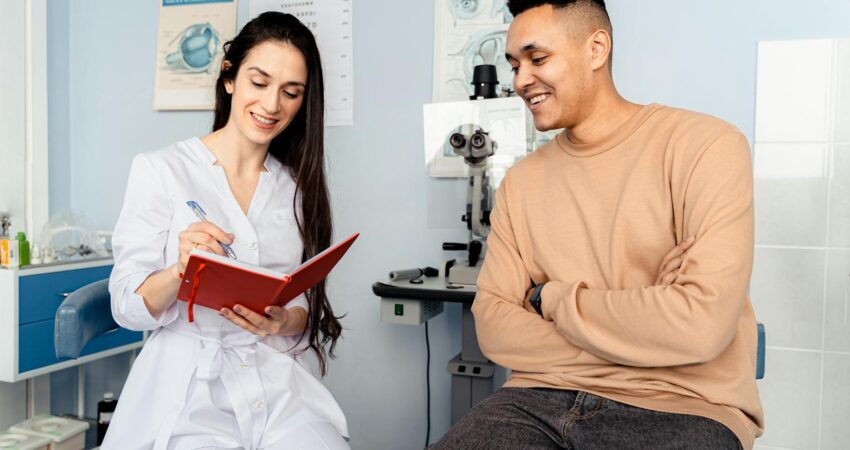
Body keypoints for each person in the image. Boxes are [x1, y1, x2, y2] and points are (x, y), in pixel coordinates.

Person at [431, 1, 763, 449]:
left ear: (597, 48)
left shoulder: (707, 147)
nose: (520, 80)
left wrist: (551, 298)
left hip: (683, 404)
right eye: (514, 65)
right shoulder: (522, 183)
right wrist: (647, 335)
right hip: (536, 400)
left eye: (538, 58)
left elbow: (700, 325)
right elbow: (493, 324)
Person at [104, 12, 349, 450]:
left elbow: (307, 306)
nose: (272, 105)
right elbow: (126, 306)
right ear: (229, 77)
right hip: (189, 389)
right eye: (259, 82)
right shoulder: (161, 170)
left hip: (276, 385)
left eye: (290, 93)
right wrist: (180, 270)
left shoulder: (296, 187)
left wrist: (283, 319)